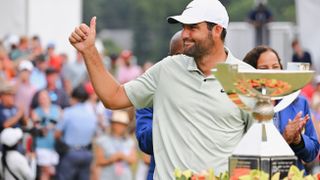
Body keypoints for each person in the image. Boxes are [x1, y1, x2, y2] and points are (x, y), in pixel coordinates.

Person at [68, 0, 254, 178]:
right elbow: (113, 97)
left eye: (193, 27)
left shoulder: (246, 77)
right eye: (183, 27)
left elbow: (258, 145)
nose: (185, 34)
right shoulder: (167, 69)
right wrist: (89, 51)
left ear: (217, 30)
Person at [243, 45, 319, 171]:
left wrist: (298, 140)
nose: (272, 72)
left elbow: (312, 153)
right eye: (264, 68)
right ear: (252, 72)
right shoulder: (244, 105)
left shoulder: (298, 101)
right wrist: (284, 139)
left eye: (275, 67)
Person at [135, 30, 183, 180]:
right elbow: (145, 142)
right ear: (170, 58)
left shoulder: (212, 87)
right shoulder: (152, 90)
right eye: (180, 57)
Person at [55, 85, 97, 180]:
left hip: (70, 152)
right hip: (87, 153)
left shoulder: (68, 112)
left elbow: (57, 134)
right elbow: (94, 133)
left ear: (73, 98)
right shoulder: (92, 114)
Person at [94, 110, 137, 180]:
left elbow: (133, 159)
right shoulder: (103, 140)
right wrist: (111, 159)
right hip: (107, 176)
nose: (119, 126)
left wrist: (122, 156)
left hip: (125, 177)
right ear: (112, 124)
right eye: (117, 123)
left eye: (122, 124)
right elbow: (99, 161)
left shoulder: (129, 142)